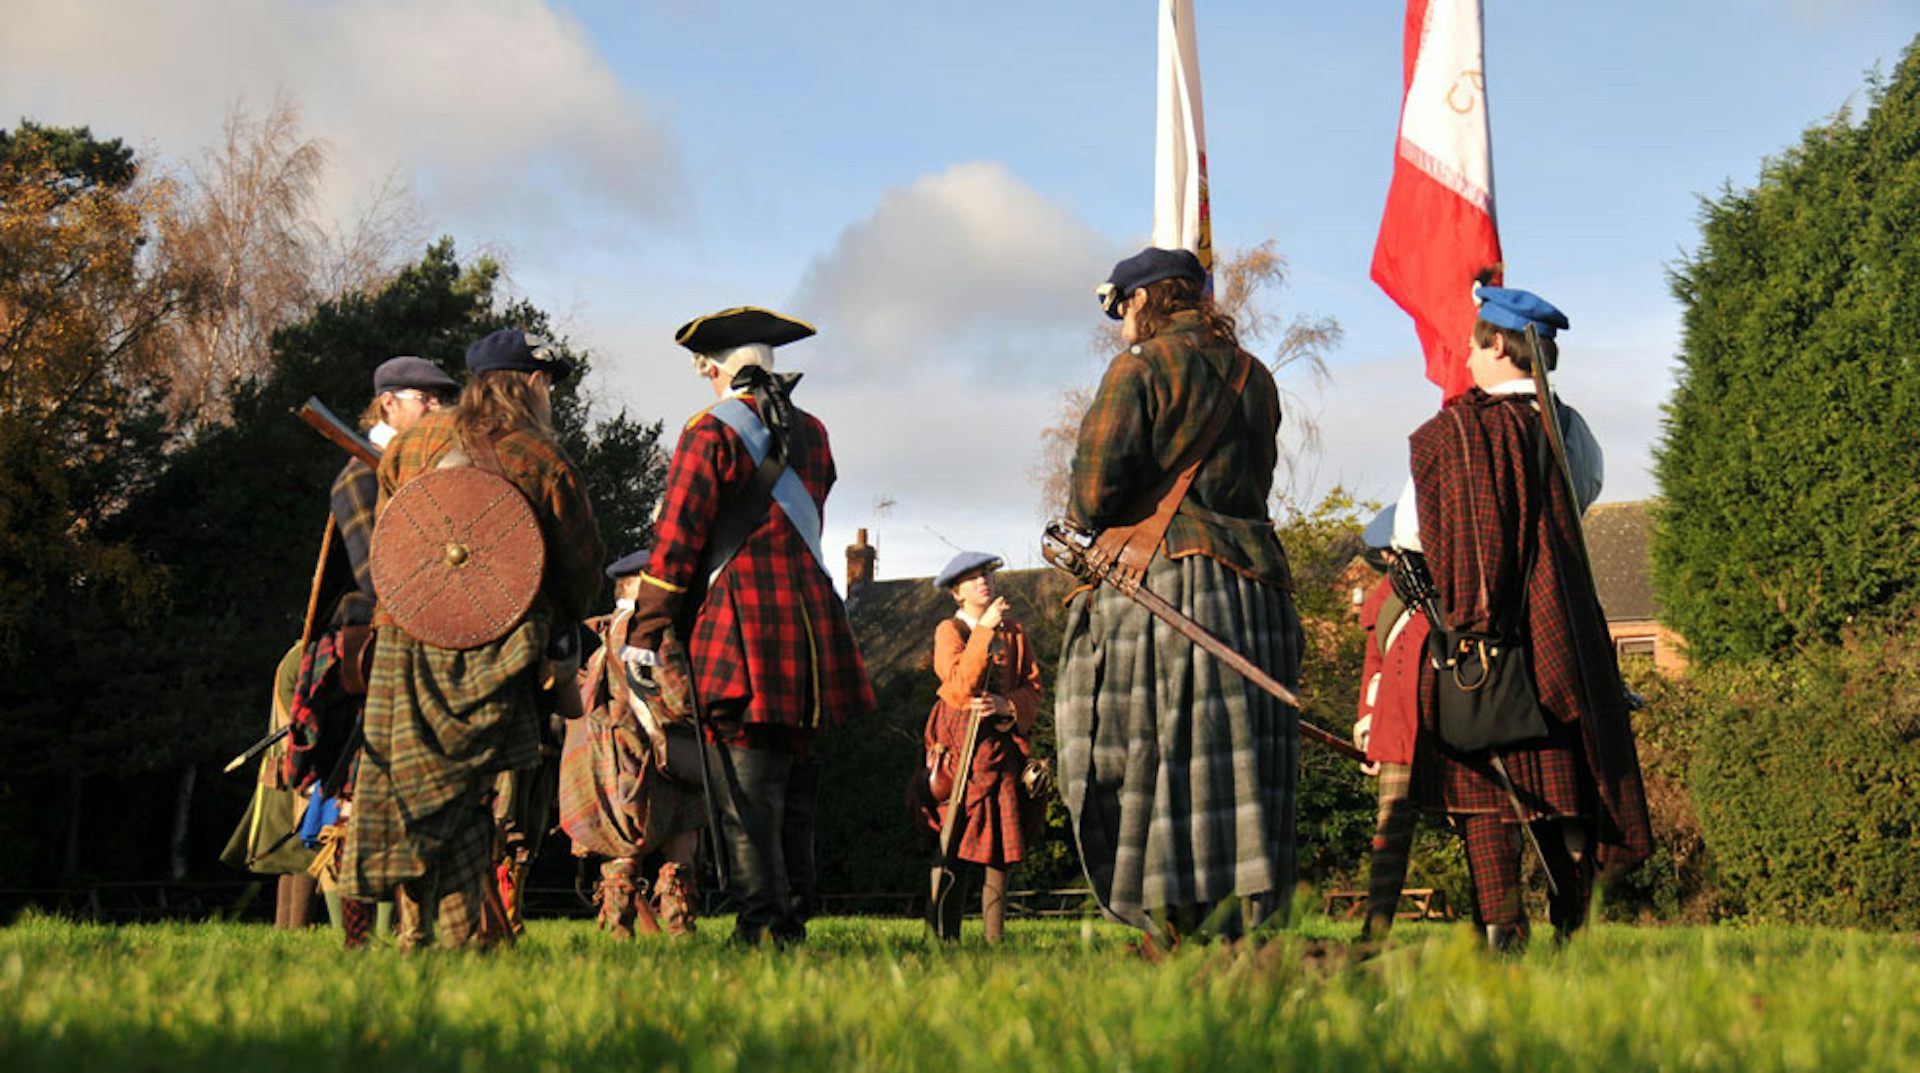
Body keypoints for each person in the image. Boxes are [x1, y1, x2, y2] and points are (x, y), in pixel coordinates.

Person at [1057, 248, 1304, 947]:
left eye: (1123, 309)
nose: (1120, 325)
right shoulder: (1256, 377)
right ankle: (1241, 932)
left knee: (1156, 760)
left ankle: (1169, 928)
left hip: (1171, 586)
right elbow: (1253, 481)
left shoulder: (1138, 368)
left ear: (1144, 301)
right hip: (1259, 593)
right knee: (1244, 772)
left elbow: (1094, 492)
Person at [1405, 285, 1653, 950]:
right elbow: (1586, 494)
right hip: (1567, 626)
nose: (1466, 350)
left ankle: (1501, 937)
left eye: (1474, 339)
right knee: (1564, 789)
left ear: (1497, 345)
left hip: (1491, 638)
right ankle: (1574, 931)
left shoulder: (1461, 430)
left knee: (1489, 802)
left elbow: (1425, 538)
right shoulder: (1571, 425)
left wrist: (1465, 618)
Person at [340, 328, 604, 950]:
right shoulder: (545, 461)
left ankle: (415, 931)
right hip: (498, 645)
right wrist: (560, 626)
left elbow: (392, 543)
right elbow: (580, 570)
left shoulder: (413, 444)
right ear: (534, 383)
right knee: (471, 795)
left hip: (408, 641)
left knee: (410, 787)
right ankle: (458, 937)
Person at [627, 306, 876, 947]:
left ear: (712, 370)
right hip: (810, 621)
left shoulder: (709, 431)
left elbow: (678, 539)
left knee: (744, 784)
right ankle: (791, 915)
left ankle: (761, 924)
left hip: (739, 617)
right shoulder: (814, 431)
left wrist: (648, 626)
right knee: (792, 776)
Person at [559, 548, 706, 938]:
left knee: (620, 843)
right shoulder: (650, 631)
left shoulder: (600, 630)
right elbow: (678, 700)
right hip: (652, 755)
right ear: (639, 586)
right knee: (683, 833)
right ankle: (679, 927)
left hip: (605, 755)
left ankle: (617, 929)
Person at [919, 551, 1042, 944]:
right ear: (957, 592)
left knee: (999, 850)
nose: (983, 582)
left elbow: (1033, 687)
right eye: (972, 579)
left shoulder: (1016, 631)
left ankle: (994, 940)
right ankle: (944, 937)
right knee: (952, 839)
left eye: (986, 575)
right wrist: (985, 630)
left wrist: (1009, 705)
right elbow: (958, 686)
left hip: (1000, 746)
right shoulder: (949, 631)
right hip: (958, 747)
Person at [1349, 506, 1431, 943]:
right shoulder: (1386, 597)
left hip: (1449, 720)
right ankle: (1374, 931)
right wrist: (1368, 723)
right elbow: (1375, 663)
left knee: (1479, 825)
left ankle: (1490, 927)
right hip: (1398, 723)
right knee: (1390, 832)